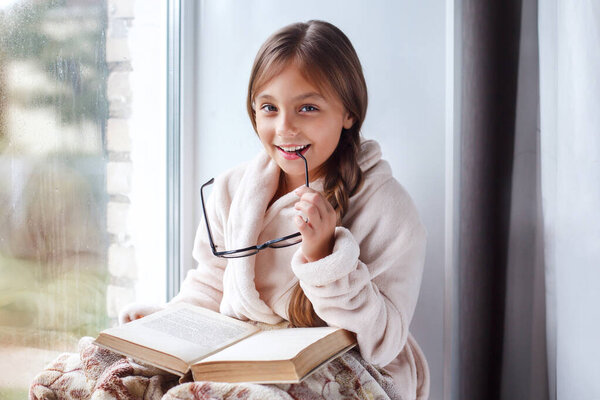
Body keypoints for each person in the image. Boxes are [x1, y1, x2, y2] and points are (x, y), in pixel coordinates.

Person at [120, 20, 429, 399]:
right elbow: (212, 283)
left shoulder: (388, 209)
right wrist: (171, 325)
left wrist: (324, 259)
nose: (285, 127)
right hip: (243, 356)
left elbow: (383, 341)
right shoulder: (233, 190)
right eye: (269, 107)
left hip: (343, 365)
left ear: (348, 114)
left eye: (308, 108)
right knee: (104, 370)